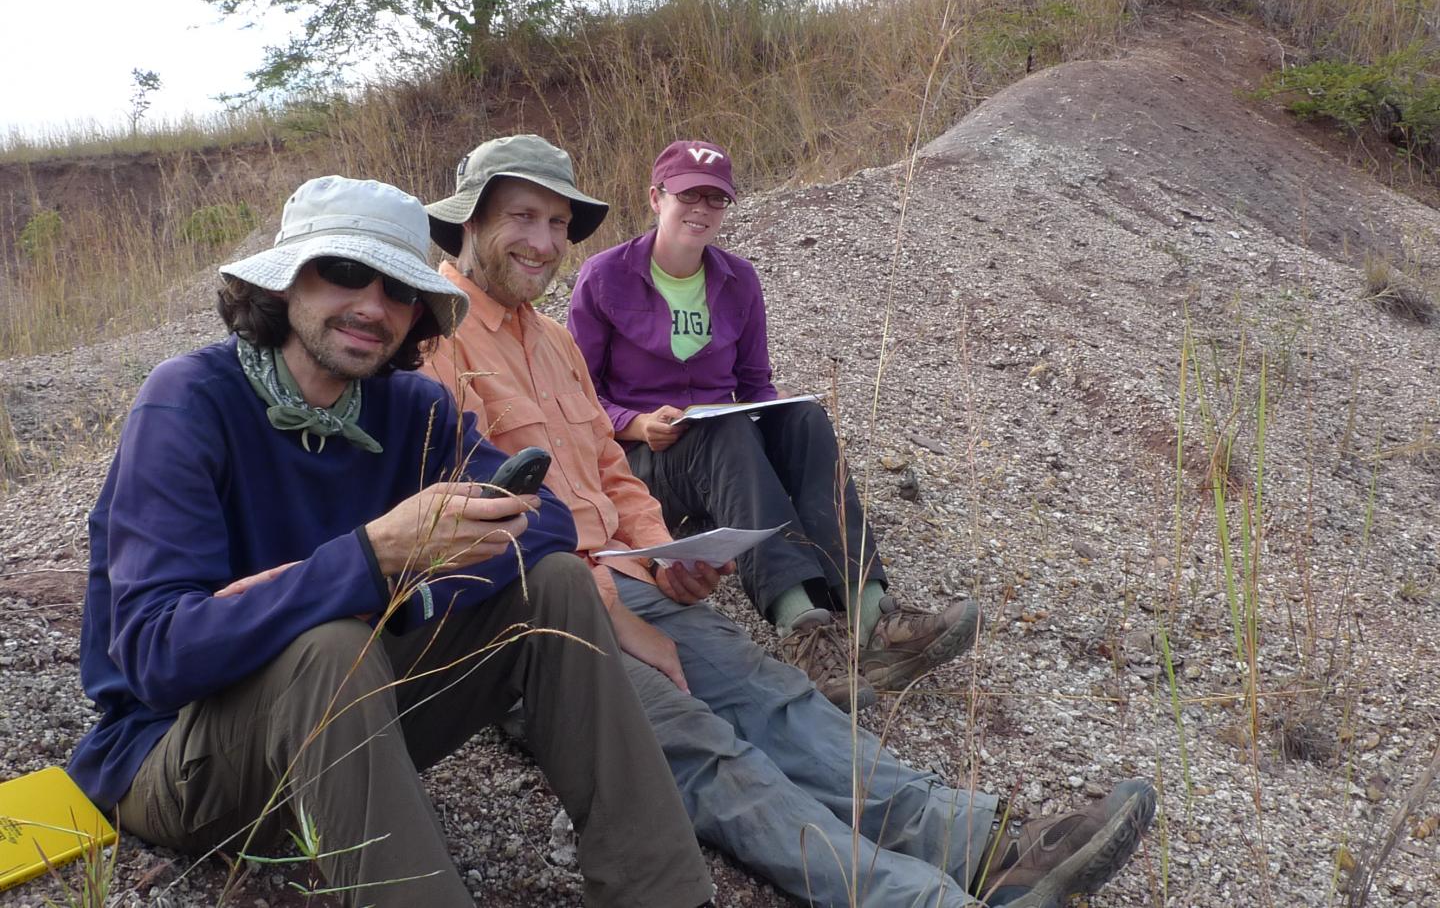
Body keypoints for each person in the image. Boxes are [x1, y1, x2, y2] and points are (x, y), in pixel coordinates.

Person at [423, 134, 1156, 908]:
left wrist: (664, 558)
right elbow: (485, 532)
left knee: (771, 695)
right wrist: (616, 605)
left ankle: (991, 847)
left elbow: (609, 471)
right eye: (521, 218)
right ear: (468, 221)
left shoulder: (553, 341)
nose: (543, 242)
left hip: (628, 582)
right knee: (707, 749)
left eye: (557, 223)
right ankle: (917, 899)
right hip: (543, 623)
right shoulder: (434, 345)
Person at [67, 176, 712, 908]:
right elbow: (156, 660)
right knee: (331, 647)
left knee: (556, 582)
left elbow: (549, 522)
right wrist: (369, 559)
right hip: (179, 759)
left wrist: (400, 582)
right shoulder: (186, 402)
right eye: (344, 273)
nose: (373, 307)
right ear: (284, 285)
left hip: (345, 741)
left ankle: (662, 894)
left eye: (400, 288)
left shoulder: (410, 404)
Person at [565, 138, 977, 710]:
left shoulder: (738, 279)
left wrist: (776, 419)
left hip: (721, 449)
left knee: (803, 419)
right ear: (656, 198)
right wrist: (634, 424)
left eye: (716, 198)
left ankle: (872, 616)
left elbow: (756, 385)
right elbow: (577, 396)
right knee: (727, 433)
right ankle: (803, 625)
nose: (702, 209)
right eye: (689, 195)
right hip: (646, 459)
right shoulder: (604, 276)